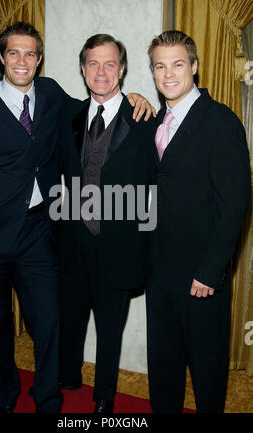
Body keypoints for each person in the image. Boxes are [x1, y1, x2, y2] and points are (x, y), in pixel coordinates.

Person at [0, 22, 153, 413]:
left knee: (49, 322)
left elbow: (105, 102)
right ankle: (5, 395)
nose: (22, 61)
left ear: (40, 59)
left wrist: (136, 98)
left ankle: (47, 398)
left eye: (30, 54)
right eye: (14, 53)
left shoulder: (53, 98)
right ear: (1, 57)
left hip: (37, 233)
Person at [146, 30, 251, 413]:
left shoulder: (220, 122)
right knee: (163, 370)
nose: (168, 74)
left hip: (199, 280)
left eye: (177, 64)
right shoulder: (158, 120)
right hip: (159, 274)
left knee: (207, 376)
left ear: (194, 67)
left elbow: (235, 203)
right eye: (160, 66)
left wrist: (210, 271)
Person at [57, 34, 156, 413]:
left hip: (120, 244)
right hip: (74, 239)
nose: (101, 71)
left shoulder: (145, 119)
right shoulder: (68, 117)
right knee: (72, 314)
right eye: (93, 64)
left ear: (123, 69)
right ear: (83, 70)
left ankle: (104, 397)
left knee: (110, 327)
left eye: (110, 63)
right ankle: (68, 376)